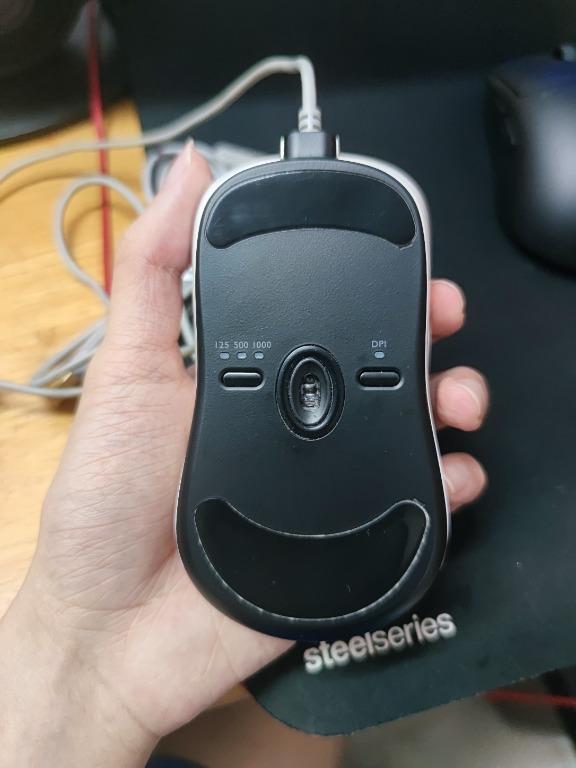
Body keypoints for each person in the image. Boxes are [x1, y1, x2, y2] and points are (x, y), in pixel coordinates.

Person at [0, 143, 489, 767]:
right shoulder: (386, 210)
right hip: (287, 561)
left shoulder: (250, 215)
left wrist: (84, 666)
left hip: (282, 560)